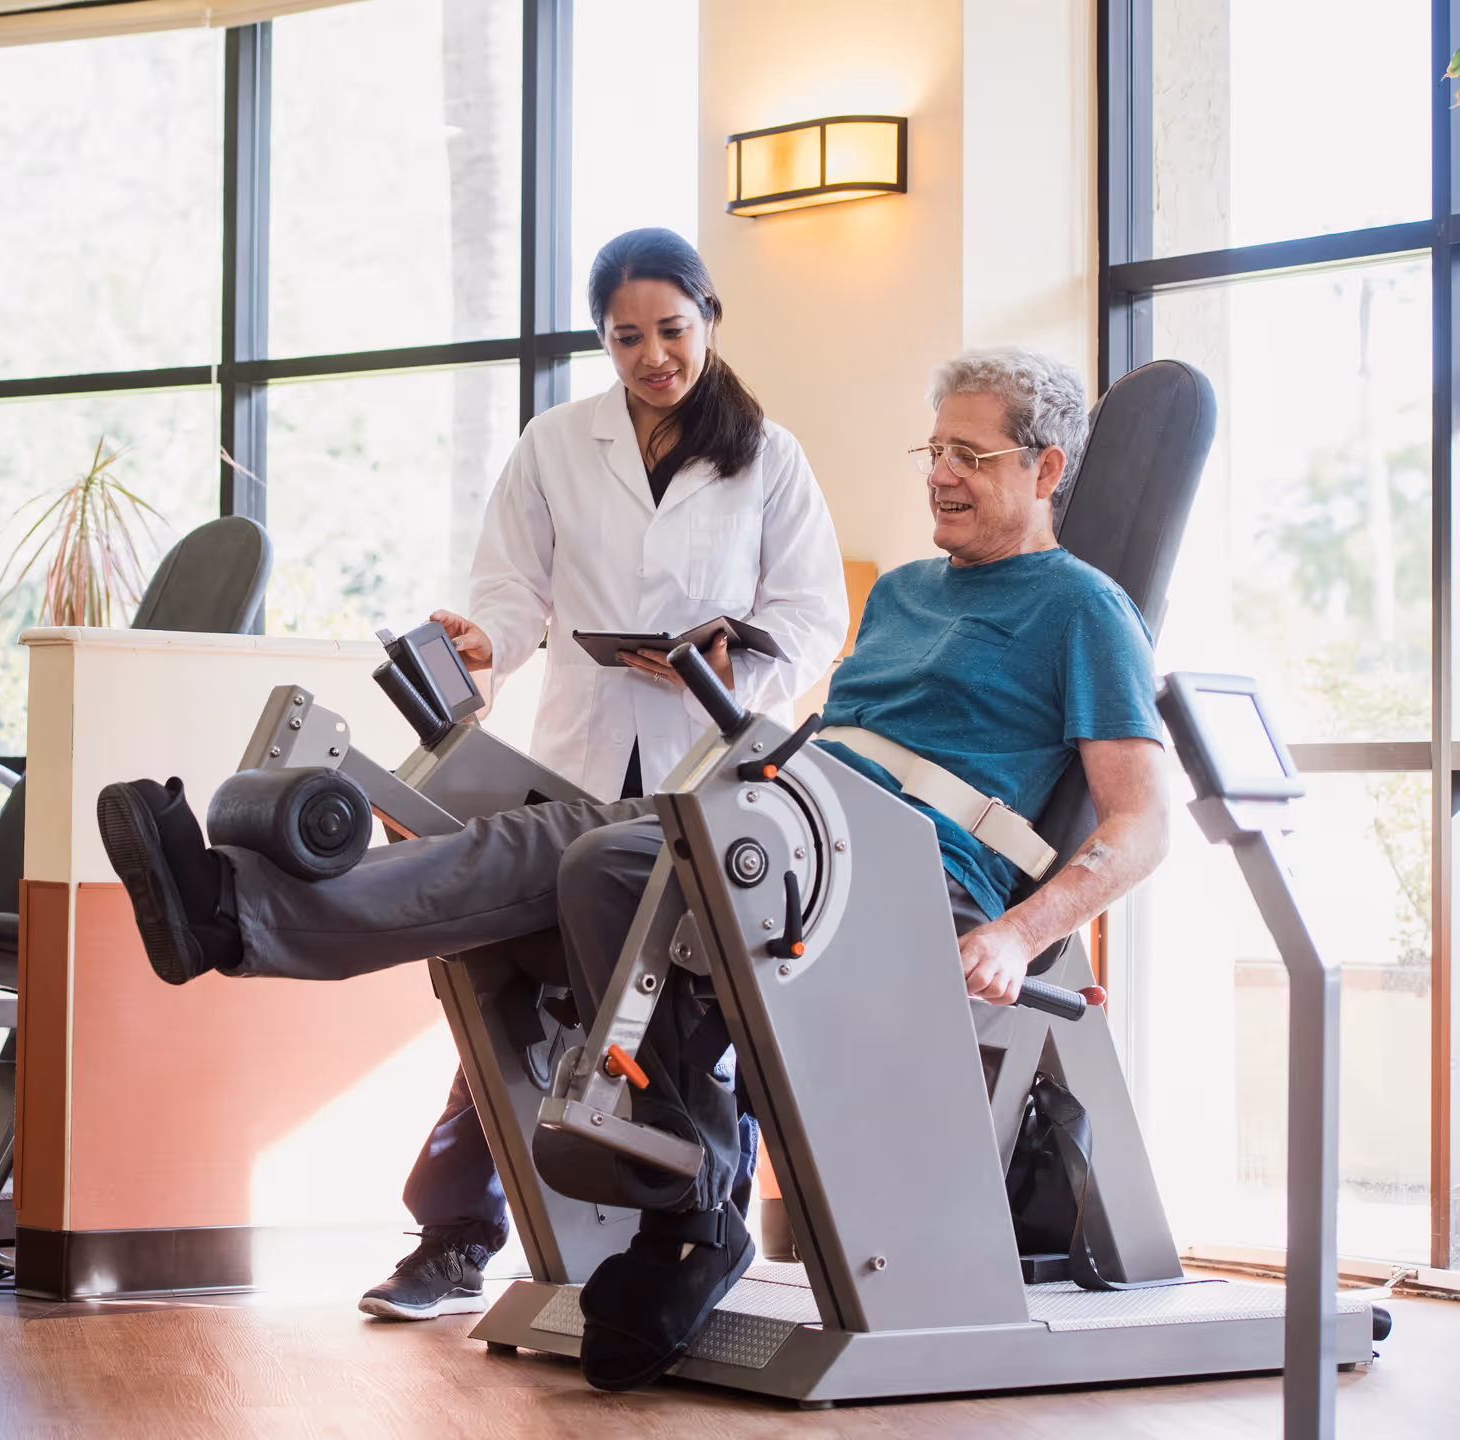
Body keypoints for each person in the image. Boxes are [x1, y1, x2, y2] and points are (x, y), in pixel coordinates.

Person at [93, 345, 1172, 1392]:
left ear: (1044, 470)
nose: (940, 472)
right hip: (789, 818)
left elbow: (1140, 825)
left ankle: (687, 1193)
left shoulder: (1082, 611)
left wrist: (1022, 934)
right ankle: (236, 916)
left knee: (609, 859)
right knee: (553, 841)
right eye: (933, 449)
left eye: (971, 456)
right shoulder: (901, 595)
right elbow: (830, 743)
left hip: (901, 882)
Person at [366, 228, 848, 1322]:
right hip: (584, 758)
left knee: (699, 1009)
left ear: (709, 318)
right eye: (626, 337)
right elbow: (509, 590)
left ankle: (692, 1226)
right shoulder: (557, 441)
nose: (652, 356)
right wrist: (483, 645)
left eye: (671, 330)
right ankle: (453, 1238)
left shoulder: (768, 455)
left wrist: (740, 656)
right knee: (504, 975)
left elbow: (816, 616)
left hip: (709, 762)